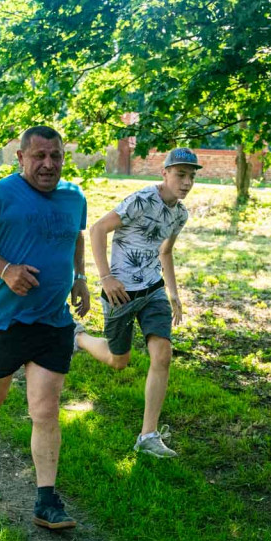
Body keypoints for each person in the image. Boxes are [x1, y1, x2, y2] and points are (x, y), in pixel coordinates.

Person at [0, 125, 91, 531]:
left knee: (46, 409)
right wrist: (5, 269)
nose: (48, 164)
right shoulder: (0, 194)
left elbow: (76, 236)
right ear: (21, 158)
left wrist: (80, 277)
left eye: (56, 156)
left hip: (52, 321)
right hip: (3, 321)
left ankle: (46, 502)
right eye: (39, 156)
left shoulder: (74, 197)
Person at [74, 147, 199, 458]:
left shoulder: (180, 214)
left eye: (191, 177)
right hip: (121, 292)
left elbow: (165, 253)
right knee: (119, 360)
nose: (185, 182)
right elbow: (98, 228)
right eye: (180, 175)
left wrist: (172, 293)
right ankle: (77, 336)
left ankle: (148, 435)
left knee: (163, 355)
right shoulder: (142, 199)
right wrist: (104, 277)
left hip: (153, 290)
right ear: (165, 173)